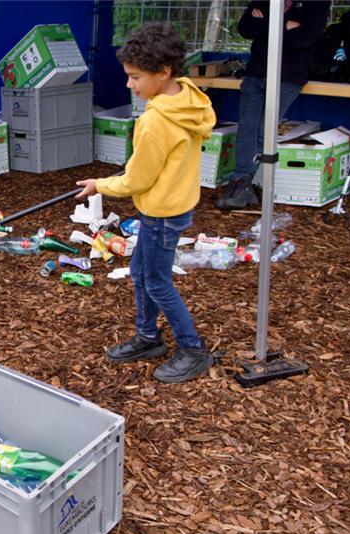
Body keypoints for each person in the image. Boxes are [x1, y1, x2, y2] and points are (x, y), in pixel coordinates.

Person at [76, 23, 216, 384]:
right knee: (142, 274)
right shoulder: (188, 99)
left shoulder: (155, 121)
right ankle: (148, 338)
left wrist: (99, 184)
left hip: (160, 213)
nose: (129, 85)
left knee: (156, 282)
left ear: (163, 72)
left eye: (135, 77)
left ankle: (193, 349)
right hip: (175, 207)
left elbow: (136, 179)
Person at [216, 0, 330, 210]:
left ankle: (242, 183)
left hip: (288, 77)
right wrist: (286, 24)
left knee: (263, 130)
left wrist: (266, 23)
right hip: (256, 73)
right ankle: (241, 182)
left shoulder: (317, 3)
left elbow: (306, 38)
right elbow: (245, 28)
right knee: (247, 128)